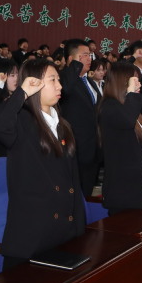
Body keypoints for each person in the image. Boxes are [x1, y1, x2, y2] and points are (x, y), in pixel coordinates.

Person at [0, 58, 85, 270]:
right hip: (32, 237)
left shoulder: (62, 124)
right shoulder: (22, 120)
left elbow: (73, 181)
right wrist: (21, 93)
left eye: (59, 79)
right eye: (53, 80)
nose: (60, 86)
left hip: (64, 232)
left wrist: (79, 228)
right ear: (35, 83)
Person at [98, 62, 142, 215]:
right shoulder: (109, 107)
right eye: (135, 80)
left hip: (140, 186)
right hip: (123, 191)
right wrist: (132, 94)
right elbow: (126, 122)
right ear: (123, 82)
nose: (139, 84)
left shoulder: (128, 108)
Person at [59, 39, 99, 196]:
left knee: (87, 190)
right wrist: (74, 66)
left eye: (89, 55)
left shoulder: (89, 81)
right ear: (71, 59)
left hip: (92, 146)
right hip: (75, 146)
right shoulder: (63, 79)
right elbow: (64, 91)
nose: (89, 59)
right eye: (84, 55)